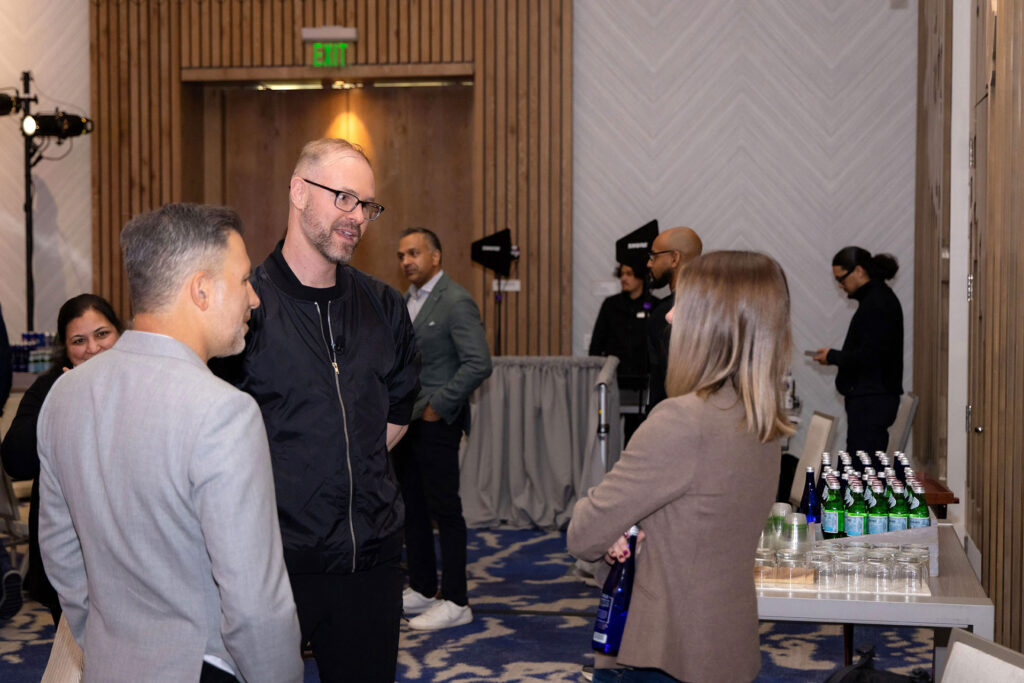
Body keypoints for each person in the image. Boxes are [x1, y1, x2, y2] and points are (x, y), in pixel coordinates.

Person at [36, 204, 302, 683]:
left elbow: (60, 551)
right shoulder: (224, 412)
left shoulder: (64, 394)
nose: (254, 299)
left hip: (108, 664)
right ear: (201, 289)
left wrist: (103, 639)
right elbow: (254, 605)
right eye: (244, 281)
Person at [218, 138, 420, 682]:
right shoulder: (246, 307)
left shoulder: (384, 307)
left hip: (370, 561)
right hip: (273, 563)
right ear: (299, 191)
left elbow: (397, 414)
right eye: (344, 199)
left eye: (368, 206)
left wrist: (341, 464)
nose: (358, 217)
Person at [568, 251, 794, 683]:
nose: (669, 317)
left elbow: (583, 533)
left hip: (663, 651)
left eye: (683, 305)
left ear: (715, 323)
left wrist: (615, 526)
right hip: (725, 643)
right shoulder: (762, 418)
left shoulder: (683, 421)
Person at [1, 294, 124, 624]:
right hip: (68, 546)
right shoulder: (49, 389)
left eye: (102, 334)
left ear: (120, 333)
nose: (93, 349)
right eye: (79, 341)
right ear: (65, 348)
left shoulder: (138, 382)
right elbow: (16, 461)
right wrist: (65, 398)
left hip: (127, 546)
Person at [395, 227, 492, 630]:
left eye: (414, 253)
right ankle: (420, 586)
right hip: (407, 423)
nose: (406, 262)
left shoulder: (455, 301)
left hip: (436, 422)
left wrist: (438, 404)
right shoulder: (406, 301)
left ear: (436, 256)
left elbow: (479, 362)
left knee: (445, 511)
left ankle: (456, 599)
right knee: (412, 509)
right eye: (401, 255)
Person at [813, 246, 903, 460]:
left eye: (842, 279)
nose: (840, 285)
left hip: (872, 400)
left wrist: (833, 356)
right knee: (862, 467)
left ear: (859, 271)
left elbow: (870, 356)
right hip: (872, 399)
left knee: (864, 470)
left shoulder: (877, 303)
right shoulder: (877, 299)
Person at [645, 226, 703, 408]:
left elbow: (670, 379)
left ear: (674, 258)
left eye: (654, 256)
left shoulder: (664, 313)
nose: (649, 263)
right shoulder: (712, 305)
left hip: (674, 416)